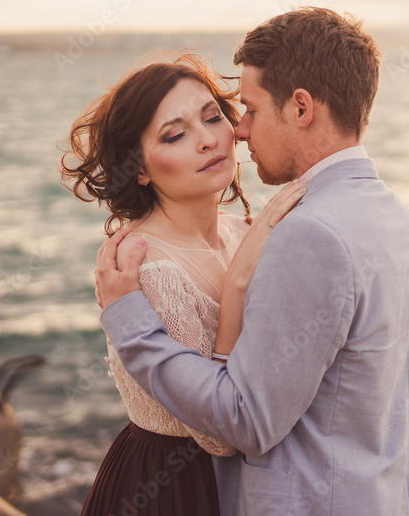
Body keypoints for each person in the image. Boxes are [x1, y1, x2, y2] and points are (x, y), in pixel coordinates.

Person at [96, 7, 409, 515]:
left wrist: (130, 322)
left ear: (301, 108)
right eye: (175, 133)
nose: (238, 132)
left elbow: (243, 421)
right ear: (138, 166)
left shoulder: (306, 236)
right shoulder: (395, 218)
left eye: (238, 111)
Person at [61, 53, 305, 515]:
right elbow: (217, 436)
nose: (207, 140)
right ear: (139, 168)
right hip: (171, 488)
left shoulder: (243, 234)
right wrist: (237, 285)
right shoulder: (146, 268)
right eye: (175, 134)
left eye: (212, 117)